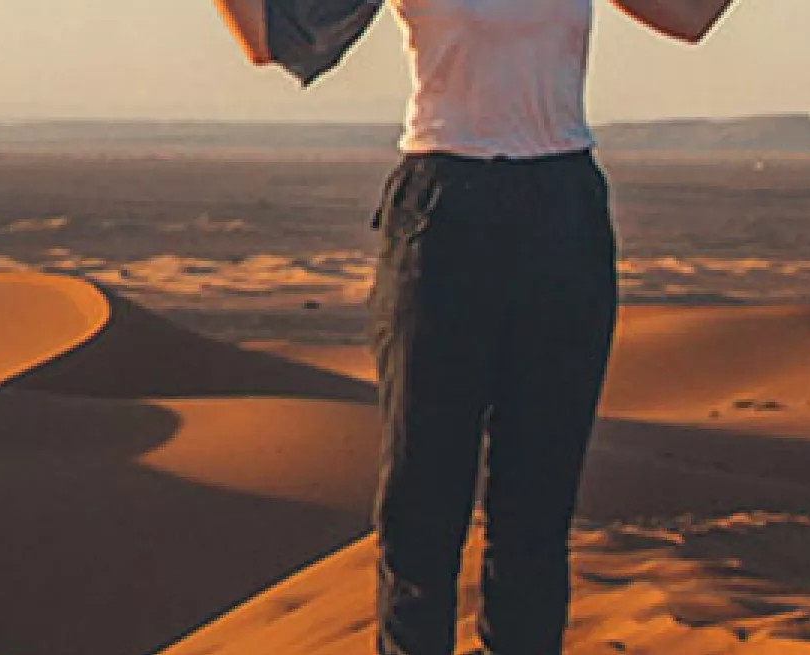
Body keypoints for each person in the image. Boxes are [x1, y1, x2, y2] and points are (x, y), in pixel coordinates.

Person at [219, 1, 736, 653]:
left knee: (536, 511)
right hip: (443, 210)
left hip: (562, 211)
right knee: (421, 505)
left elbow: (690, 17)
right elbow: (267, 39)